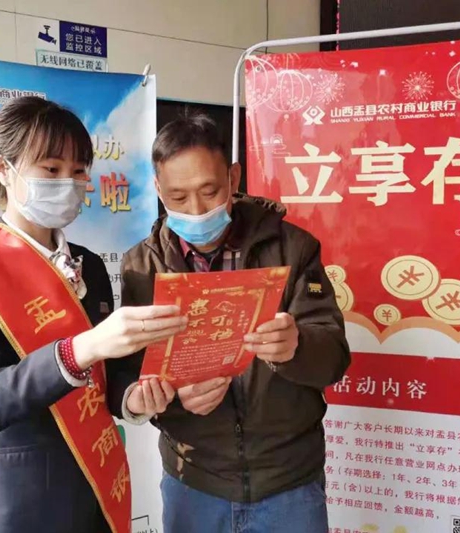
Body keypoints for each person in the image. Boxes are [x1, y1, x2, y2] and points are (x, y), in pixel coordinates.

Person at [0, 97, 183, 533]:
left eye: (79, 170)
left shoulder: (90, 265)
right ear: (3, 169)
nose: (68, 182)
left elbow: (108, 376)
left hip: (93, 493)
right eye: (51, 169)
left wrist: (131, 398)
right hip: (15, 506)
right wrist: (80, 349)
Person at [108, 113, 351, 532]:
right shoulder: (142, 267)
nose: (196, 210)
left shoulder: (291, 249)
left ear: (233, 177)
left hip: (288, 480)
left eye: (210, 191)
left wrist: (296, 347)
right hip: (194, 481)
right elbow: (127, 373)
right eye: (178, 197)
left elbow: (334, 358)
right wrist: (164, 398)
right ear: (158, 189)